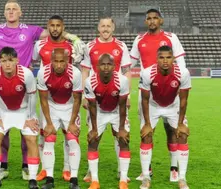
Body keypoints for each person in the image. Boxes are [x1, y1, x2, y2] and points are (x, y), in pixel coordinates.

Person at [0, 0, 84, 179]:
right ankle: (2, 165)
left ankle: (27, 165)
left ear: (21, 13)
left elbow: (53, 31)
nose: (11, 12)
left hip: (24, 85)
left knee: (26, 126)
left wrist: (72, 37)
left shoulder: (31, 30)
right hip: (1, 86)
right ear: (4, 13)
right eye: (8, 9)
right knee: (1, 127)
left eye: (14, 9)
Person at [129, 8, 186, 182]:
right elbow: (129, 64)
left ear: (161, 20)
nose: (152, 21)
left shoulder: (171, 38)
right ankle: (148, 170)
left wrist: (179, 86)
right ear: (146, 21)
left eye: (155, 18)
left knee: (172, 130)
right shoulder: (139, 39)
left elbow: (181, 65)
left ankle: (174, 168)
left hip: (169, 90)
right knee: (146, 130)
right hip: (147, 92)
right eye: (149, 18)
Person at [81, 16, 132, 183]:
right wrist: (84, 94)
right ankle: (91, 172)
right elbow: (85, 71)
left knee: (121, 134)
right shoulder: (90, 46)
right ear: (98, 28)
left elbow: (126, 71)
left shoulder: (121, 46)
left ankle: (121, 171)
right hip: (96, 95)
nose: (105, 29)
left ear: (113, 28)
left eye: (108, 26)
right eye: (102, 26)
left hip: (117, 95)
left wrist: (128, 94)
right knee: (94, 134)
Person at [0, 47, 40, 189]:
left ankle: (33, 179)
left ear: (17, 60)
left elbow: (33, 96)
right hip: (3, 112)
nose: (7, 64)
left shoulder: (26, 74)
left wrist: (30, 118)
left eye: (10, 60)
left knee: (31, 139)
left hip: (24, 111)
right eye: (3, 61)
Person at [138, 46, 191, 189]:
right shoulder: (147, 73)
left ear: (173, 59)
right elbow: (144, 99)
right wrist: (148, 123)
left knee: (183, 135)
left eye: (168, 57)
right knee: (146, 135)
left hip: (173, 106)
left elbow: (184, 99)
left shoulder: (183, 73)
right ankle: (146, 177)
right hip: (153, 106)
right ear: (157, 59)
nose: (165, 61)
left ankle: (182, 178)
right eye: (161, 57)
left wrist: (180, 123)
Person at [32, 15, 75, 182]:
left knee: (67, 132)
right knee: (44, 133)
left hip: (66, 95)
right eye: (52, 25)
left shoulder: (70, 46)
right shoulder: (40, 45)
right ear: (48, 27)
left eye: (58, 25)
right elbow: (34, 61)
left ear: (63, 27)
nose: (55, 28)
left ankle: (66, 168)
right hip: (46, 96)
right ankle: (45, 168)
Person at [37, 48, 82, 189]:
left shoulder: (75, 73)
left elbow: (77, 100)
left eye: (62, 61)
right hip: (51, 106)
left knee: (72, 139)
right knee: (49, 138)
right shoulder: (43, 73)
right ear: (51, 61)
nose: (58, 65)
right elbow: (43, 100)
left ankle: (73, 179)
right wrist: (49, 123)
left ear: (67, 61)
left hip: (70, 107)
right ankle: (49, 179)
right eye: (55, 61)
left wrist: (73, 122)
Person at [84, 53, 130, 189]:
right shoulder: (90, 82)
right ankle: (95, 181)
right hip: (99, 112)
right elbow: (91, 106)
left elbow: (123, 105)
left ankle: (123, 180)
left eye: (109, 64)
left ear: (114, 67)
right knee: (92, 141)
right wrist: (93, 128)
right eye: (102, 64)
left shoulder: (122, 80)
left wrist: (121, 129)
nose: (105, 67)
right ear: (97, 66)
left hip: (117, 112)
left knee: (124, 140)